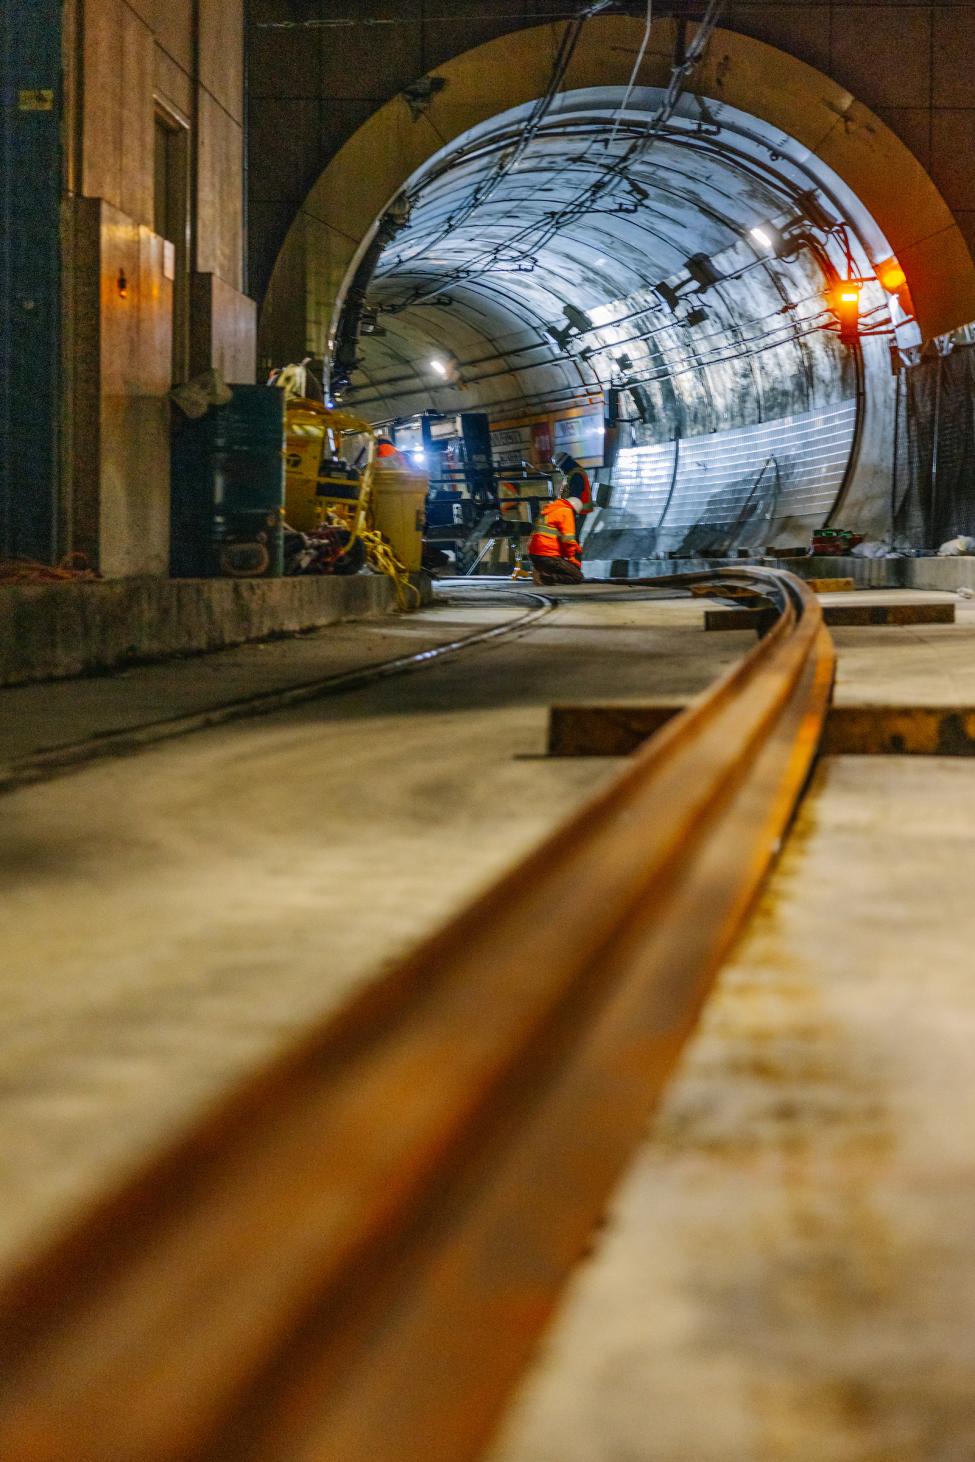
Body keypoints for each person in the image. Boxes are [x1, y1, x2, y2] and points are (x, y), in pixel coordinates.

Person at [527, 494, 585, 584]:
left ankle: (542, 572)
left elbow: (557, 538)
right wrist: (571, 558)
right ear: (574, 510)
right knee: (578, 577)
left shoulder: (549, 511)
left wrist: (576, 548)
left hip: (535, 556)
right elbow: (568, 540)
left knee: (565, 567)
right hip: (548, 556)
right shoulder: (566, 511)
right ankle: (543, 577)